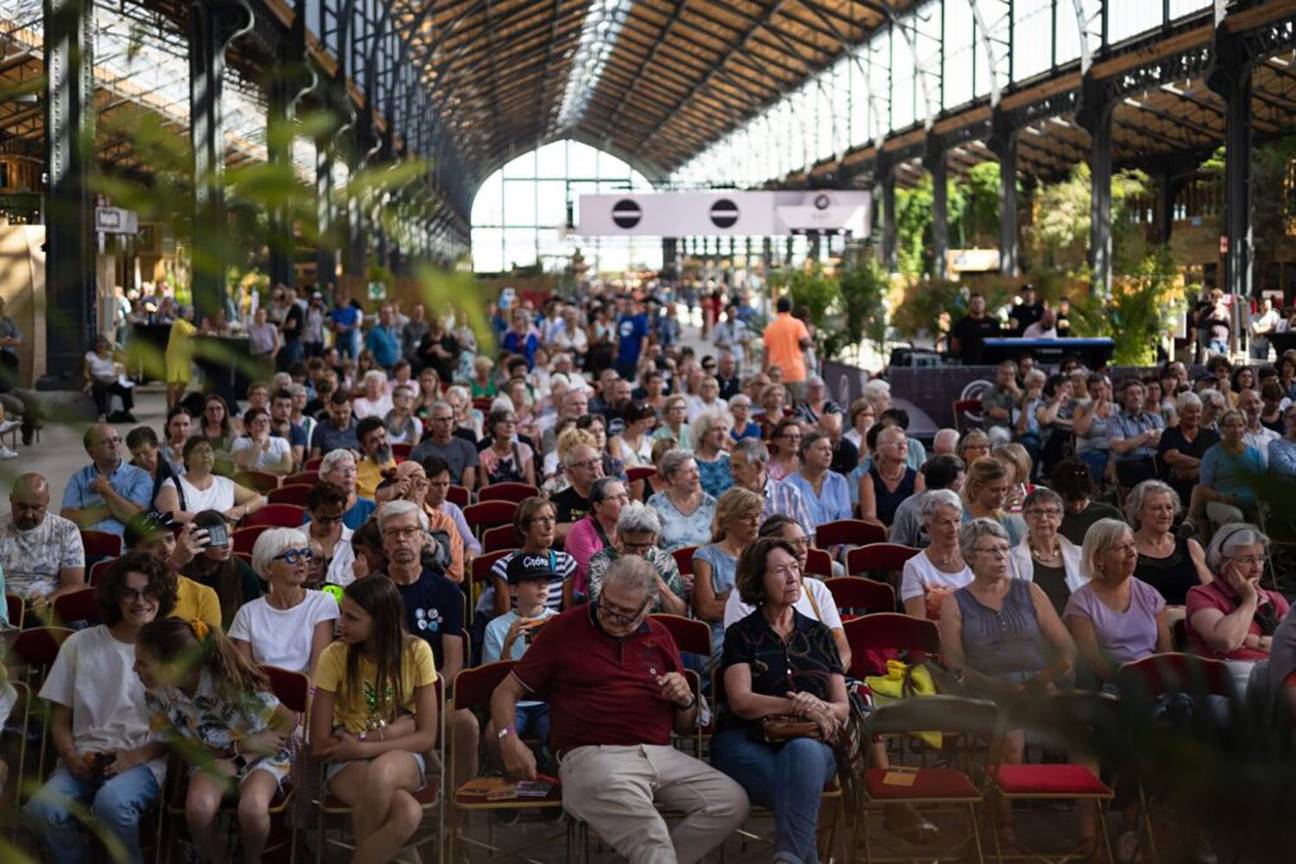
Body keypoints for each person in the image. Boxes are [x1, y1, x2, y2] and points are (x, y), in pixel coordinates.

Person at [490, 555, 750, 863]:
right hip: (591, 754)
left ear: (647, 608)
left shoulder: (659, 636)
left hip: (658, 753)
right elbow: (505, 690)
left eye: (625, 613)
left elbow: (684, 725)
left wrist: (685, 700)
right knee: (650, 837)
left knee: (731, 802)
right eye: (607, 605)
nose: (612, 616)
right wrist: (508, 738)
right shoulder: (564, 628)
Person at [22, 553, 174, 863]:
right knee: (40, 810)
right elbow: (61, 720)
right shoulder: (79, 643)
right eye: (129, 592)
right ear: (115, 597)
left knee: (111, 804)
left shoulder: (171, 649)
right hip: (82, 759)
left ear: (162, 595)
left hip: (142, 760)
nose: (140, 601)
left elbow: (182, 729)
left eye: (149, 592)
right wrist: (70, 757)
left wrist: (134, 757)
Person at [711, 536, 847, 864]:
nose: (791, 577)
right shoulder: (741, 633)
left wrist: (819, 709)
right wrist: (796, 704)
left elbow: (841, 705)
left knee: (802, 754)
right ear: (757, 580)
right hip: (744, 741)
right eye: (779, 571)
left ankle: (788, 857)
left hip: (812, 743)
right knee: (801, 792)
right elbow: (741, 701)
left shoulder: (819, 634)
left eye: (794, 568)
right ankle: (797, 857)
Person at [135, 618, 296, 864]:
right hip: (212, 758)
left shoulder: (230, 685)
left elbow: (288, 721)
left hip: (262, 756)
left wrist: (243, 756)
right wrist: (233, 750)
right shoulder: (157, 693)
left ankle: (252, 860)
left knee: (252, 809)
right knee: (198, 810)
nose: (135, 669)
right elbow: (177, 742)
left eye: (143, 663)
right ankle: (220, 859)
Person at [311, 576, 440, 862]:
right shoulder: (334, 655)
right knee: (407, 814)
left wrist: (364, 744)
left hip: (398, 754)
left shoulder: (417, 651)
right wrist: (391, 732)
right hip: (345, 759)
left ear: (381, 621)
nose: (340, 623)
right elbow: (319, 743)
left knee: (381, 774)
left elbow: (427, 737)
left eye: (352, 617)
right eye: (341, 613)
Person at [1064, 519, 1173, 684]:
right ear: (1099, 558)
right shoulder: (1081, 601)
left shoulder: (1149, 594)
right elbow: (1092, 659)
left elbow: (1165, 650)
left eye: (1132, 545)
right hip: (1110, 684)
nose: (1131, 552)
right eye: (1120, 548)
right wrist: (1132, 683)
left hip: (1154, 680)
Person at [1185, 523, 1287, 691]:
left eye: (1261, 559)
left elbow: (1291, 644)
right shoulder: (1202, 594)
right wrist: (1249, 600)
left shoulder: (1274, 598)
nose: (1257, 568)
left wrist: (1254, 642)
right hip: (1225, 684)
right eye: (1248, 560)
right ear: (1224, 563)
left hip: (1275, 676)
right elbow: (1226, 641)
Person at [229, 528, 338, 676]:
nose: (302, 562)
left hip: (308, 693)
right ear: (268, 567)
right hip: (263, 695)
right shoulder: (247, 613)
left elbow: (318, 672)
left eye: (305, 554)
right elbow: (245, 676)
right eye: (292, 556)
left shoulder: (323, 602)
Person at [379, 500, 465, 677]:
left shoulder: (447, 592)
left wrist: (428, 697)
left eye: (409, 531)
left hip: (434, 687)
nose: (401, 539)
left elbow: (453, 663)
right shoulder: (368, 593)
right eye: (392, 532)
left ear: (424, 538)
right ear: (384, 542)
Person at [0, 472, 86, 613]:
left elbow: (74, 585)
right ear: (11, 499)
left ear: (47, 502)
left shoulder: (66, 530)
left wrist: (48, 600)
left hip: (50, 606)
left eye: (36, 508)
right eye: (22, 507)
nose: (28, 514)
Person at [694, 488, 765, 657]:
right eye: (747, 516)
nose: (755, 522)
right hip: (725, 633)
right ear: (727, 520)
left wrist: (731, 598)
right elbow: (707, 609)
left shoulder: (764, 553)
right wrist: (758, 601)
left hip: (765, 629)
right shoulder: (706, 556)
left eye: (758, 515)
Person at [580, 503, 688, 613]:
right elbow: (599, 609)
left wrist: (659, 583)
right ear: (620, 536)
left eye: (645, 546)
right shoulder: (601, 561)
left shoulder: (664, 561)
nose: (638, 552)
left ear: (654, 538)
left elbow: (680, 613)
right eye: (631, 546)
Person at [173, 509, 262, 629]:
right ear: (198, 538)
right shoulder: (182, 569)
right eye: (218, 537)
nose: (226, 544)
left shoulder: (243, 572)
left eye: (230, 536)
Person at [61, 423, 153, 537]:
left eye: (116, 440)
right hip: (87, 547)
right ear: (91, 452)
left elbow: (136, 520)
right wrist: (113, 509)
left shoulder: (139, 476)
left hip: (124, 548)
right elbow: (68, 519)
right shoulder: (79, 479)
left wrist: (105, 491)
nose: (114, 445)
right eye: (106, 442)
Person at [1009, 488, 1085, 615]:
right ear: (1025, 517)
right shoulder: (1011, 558)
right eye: (1037, 512)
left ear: (1060, 518)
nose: (1043, 518)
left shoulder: (1081, 555)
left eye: (1050, 512)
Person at [155, 437, 267, 524]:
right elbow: (170, 514)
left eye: (209, 450)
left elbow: (258, 499)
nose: (205, 455)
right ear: (187, 459)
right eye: (199, 451)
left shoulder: (224, 483)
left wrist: (241, 510)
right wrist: (214, 520)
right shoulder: (173, 484)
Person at [901, 490, 972, 620]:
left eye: (957, 521)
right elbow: (919, 624)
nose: (953, 529)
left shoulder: (974, 557)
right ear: (928, 526)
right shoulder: (915, 567)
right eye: (945, 523)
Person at [1199, 409, 1265, 527]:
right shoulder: (1212, 454)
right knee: (1235, 517)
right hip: (1221, 502)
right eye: (1231, 426)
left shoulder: (1256, 454)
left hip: (1252, 503)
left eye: (1240, 425)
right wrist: (1221, 497)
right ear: (1222, 428)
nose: (1236, 430)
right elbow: (1203, 489)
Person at [648, 448, 718, 552]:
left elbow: (718, 545)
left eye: (697, 469)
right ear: (672, 477)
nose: (696, 475)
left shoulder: (710, 504)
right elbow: (651, 548)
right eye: (689, 471)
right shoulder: (655, 504)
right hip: (669, 566)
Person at [565, 476, 629, 588]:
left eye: (624, 495)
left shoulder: (628, 527)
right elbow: (597, 574)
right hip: (589, 598)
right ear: (598, 506)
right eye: (616, 498)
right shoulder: (580, 530)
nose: (624, 502)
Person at [889, 455, 965, 549]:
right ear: (947, 485)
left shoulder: (965, 503)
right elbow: (897, 548)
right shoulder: (908, 509)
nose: (964, 483)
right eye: (960, 480)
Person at [1158, 391, 1218, 504]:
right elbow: (1172, 457)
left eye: (1197, 412)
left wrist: (1190, 468)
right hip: (1175, 487)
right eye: (1190, 412)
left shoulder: (1211, 435)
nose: (1195, 416)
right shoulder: (1171, 433)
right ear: (1179, 412)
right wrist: (1204, 463)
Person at [859, 425, 922, 528]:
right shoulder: (867, 480)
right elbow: (869, 517)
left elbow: (916, 515)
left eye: (904, 443)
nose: (902, 447)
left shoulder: (918, 479)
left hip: (908, 536)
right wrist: (888, 534)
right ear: (880, 448)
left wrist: (899, 534)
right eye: (896, 443)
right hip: (878, 536)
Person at [1050, 458, 1123, 546]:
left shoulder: (1109, 514)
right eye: (1070, 502)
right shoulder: (1050, 519)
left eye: (1081, 500)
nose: (1077, 507)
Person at [410, 400, 479, 489]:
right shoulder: (418, 451)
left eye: (449, 418)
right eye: (441, 420)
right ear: (431, 422)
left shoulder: (467, 447)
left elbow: (467, 490)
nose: (447, 424)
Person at [1109, 379, 1165, 488]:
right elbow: (1120, 447)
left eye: (1139, 393)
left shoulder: (1154, 418)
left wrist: (1132, 442)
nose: (1136, 397)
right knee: (1142, 472)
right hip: (1129, 464)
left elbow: (1162, 442)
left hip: (1154, 461)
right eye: (1131, 394)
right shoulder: (1115, 420)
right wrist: (1147, 435)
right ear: (1123, 398)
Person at [763, 296, 813, 401]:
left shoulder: (770, 327)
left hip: (776, 374)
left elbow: (765, 353)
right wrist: (811, 339)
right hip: (795, 372)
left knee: (779, 406)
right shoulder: (797, 324)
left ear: (777, 308)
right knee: (801, 406)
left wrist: (764, 373)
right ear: (790, 308)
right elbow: (806, 342)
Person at [320, 448, 378, 530]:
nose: (349, 474)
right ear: (325, 476)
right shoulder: (316, 509)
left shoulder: (371, 508)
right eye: (342, 469)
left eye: (353, 469)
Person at [83, 335, 136, 422]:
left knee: (126, 387)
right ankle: (102, 413)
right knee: (98, 388)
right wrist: (89, 379)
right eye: (98, 344)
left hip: (111, 381)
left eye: (102, 344)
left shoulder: (111, 355)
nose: (100, 346)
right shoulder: (90, 356)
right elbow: (86, 371)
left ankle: (127, 411)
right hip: (98, 379)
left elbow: (122, 364)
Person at [1073, 374, 1115, 483]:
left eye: (1101, 389)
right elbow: (1080, 431)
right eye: (1095, 390)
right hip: (1089, 450)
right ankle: (1100, 491)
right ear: (1089, 391)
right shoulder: (1082, 408)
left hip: (1112, 451)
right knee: (1102, 461)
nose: (1098, 394)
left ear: (1106, 389)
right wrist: (1092, 410)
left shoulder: (1116, 408)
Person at [479, 408, 537, 487]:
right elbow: (485, 491)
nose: (509, 425)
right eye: (504, 421)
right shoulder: (484, 455)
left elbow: (531, 486)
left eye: (512, 422)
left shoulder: (525, 449)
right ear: (493, 426)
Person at [231, 407, 294, 475]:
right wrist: (259, 441)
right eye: (257, 422)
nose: (263, 425)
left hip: (278, 483)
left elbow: (286, 467)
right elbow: (246, 465)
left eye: (265, 421)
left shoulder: (281, 441)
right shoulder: (240, 442)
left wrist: (258, 471)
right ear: (248, 427)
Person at [692, 408, 734, 498]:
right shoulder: (691, 463)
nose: (722, 434)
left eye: (725, 429)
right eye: (716, 429)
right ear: (703, 434)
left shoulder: (731, 461)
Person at [948, 292, 1000, 365]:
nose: (977, 305)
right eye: (974, 303)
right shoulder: (962, 323)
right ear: (970, 305)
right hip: (968, 363)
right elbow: (955, 345)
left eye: (980, 302)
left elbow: (999, 340)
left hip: (990, 363)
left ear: (984, 304)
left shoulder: (993, 323)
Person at [309, 391, 360, 459]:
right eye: (337, 413)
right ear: (330, 410)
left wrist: (360, 457)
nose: (342, 416)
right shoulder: (320, 429)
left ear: (351, 408)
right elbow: (314, 459)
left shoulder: (359, 427)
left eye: (345, 412)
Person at [1250, 295, 1279, 360]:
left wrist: (1261, 330)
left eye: (1269, 306)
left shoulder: (1273, 315)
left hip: (1265, 346)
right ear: (1260, 306)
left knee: (1263, 366)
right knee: (1253, 365)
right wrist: (1270, 327)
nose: (1268, 308)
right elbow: (1257, 330)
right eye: (1266, 306)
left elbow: (1277, 327)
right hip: (1254, 346)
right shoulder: (1254, 317)